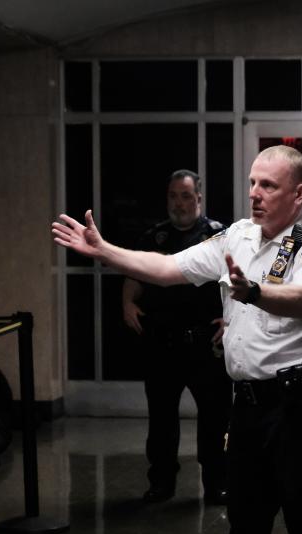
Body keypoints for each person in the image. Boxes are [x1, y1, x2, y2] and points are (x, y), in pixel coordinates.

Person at [53, 145, 302, 534]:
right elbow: (168, 268)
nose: (255, 193)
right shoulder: (237, 235)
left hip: (298, 403)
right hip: (250, 404)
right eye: (253, 183)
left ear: (298, 194)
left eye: (269, 186)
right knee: (246, 520)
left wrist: (253, 291)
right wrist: (106, 252)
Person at [122, 170, 231, 504]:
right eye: (173, 196)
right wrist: (126, 301)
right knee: (161, 418)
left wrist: (232, 319)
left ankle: (216, 483)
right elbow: (135, 276)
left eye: (185, 195)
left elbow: (236, 281)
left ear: (198, 197)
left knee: (215, 418)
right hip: (162, 343)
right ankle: (162, 481)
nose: (179, 203)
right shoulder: (153, 237)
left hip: (205, 343)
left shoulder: (218, 236)